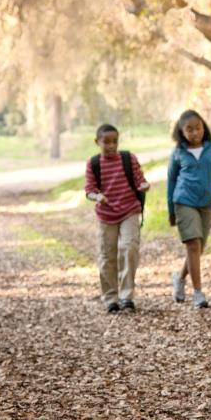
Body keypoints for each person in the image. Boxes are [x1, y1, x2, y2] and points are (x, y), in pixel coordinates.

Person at [167, 109, 211, 308]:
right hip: (183, 201)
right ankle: (198, 293)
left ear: (204, 128)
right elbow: (171, 181)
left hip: (206, 203)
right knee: (193, 245)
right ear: (181, 132)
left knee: (199, 248)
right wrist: (171, 210)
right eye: (189, 129)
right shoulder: (178, 152)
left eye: (198, 128)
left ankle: (180, 278)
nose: (194, 133)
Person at [85, 123, 150, 313]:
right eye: (107, 142)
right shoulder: (94, 163)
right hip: (106, 215)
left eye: (115, 141)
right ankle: (111, 297)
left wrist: (144, 185)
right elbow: (89, 190)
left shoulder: (129, 159)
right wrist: (97, 197)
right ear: (97, 142)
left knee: (129, 248)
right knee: (107, 255)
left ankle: (126, 296)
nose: (111, 145)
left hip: (130, 210)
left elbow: (139, 180)